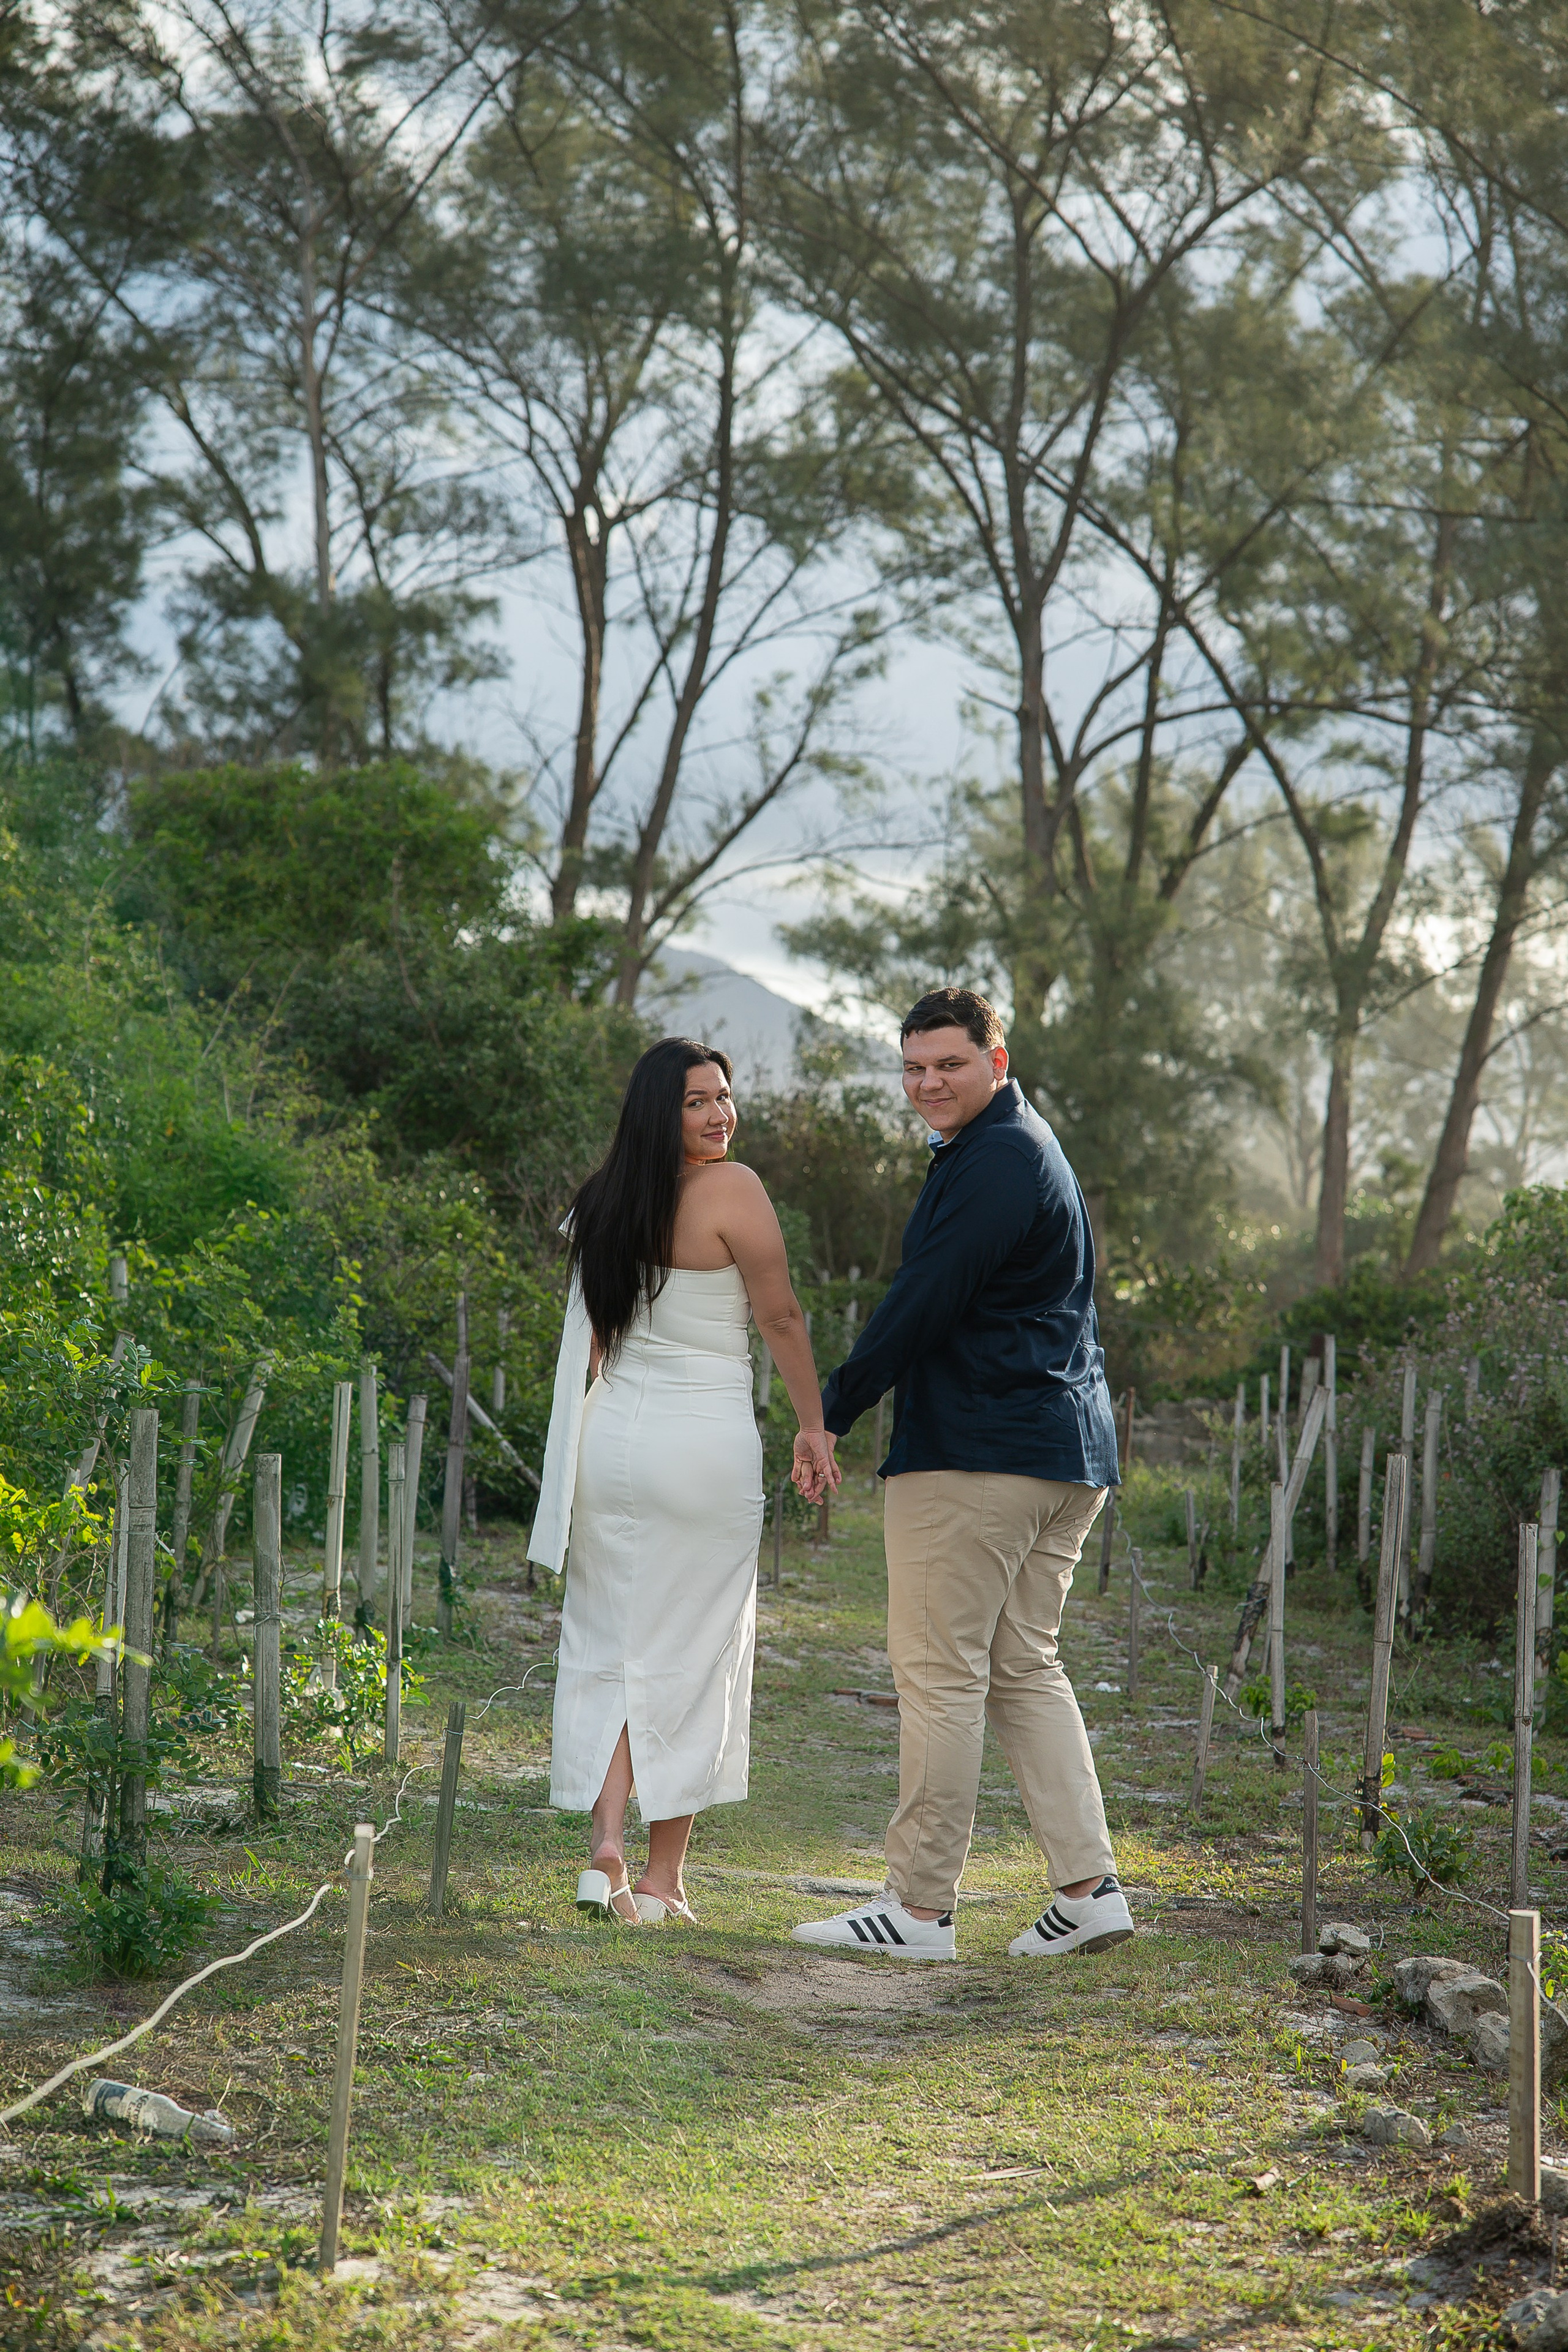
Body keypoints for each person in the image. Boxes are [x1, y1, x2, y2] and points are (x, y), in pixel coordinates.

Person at [791, 987, 1132, 1962]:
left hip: (984, 1453)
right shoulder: (1015, 1146)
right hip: (1062, 1452)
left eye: (947, 1063)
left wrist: (832, 1410)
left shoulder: (999, 1159)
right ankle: (1090, 1889)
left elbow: (925, 1299)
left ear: (997, 1057)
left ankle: (919, 1911)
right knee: (1024, 1667)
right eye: (912, 1067)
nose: (927, 1083)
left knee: (940, 1673)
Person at [530, 1037, 838, 1927]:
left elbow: (589, 1347)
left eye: (725, 1097)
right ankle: (661, 1884)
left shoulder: (606, 1203)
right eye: (698, 1101)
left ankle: (606, 1850)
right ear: (661, 1111)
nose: (719, 1115)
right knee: (694, 1652)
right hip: (701, 1445)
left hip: (615, 1442)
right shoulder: (732, 1190)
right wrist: (812, 1422)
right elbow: (778, 1314)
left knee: (610, 1642)